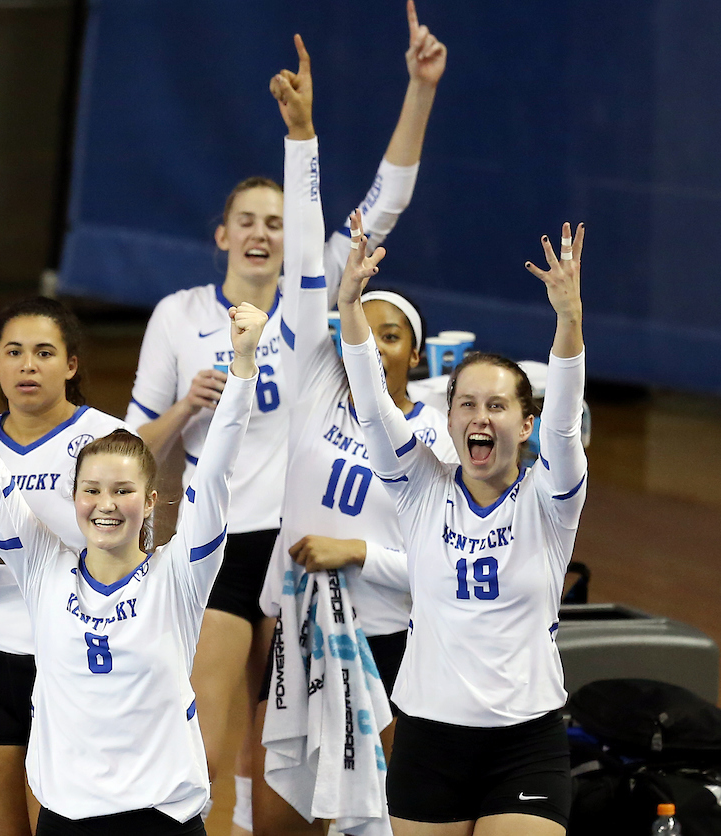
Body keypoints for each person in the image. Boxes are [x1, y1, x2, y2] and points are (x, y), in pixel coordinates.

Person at [123, 3, 446, 830]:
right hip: (224, 536)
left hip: (300, 537)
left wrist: (418, 89)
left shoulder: (320, 297)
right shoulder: (180, 313)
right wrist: (184, 413)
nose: (267, 233)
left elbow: (389, 197)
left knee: (287, 735)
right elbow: (133, 446)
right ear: (223, 233)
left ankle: (261, 815)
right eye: (251, 221)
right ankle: (205, 815)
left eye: (279, 220)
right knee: (206, 700)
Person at [0, 288, 263, 836]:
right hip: (67, 818)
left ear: (152, 500)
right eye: (91, 489)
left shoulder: (179, 576)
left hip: (162, 818)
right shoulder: (44, 568)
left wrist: (243, 365)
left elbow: (214, 473)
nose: (106, 504)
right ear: (74, 500)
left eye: (123, 489)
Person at [253, 27, 455, 833]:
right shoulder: (314, 379)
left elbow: (442, 569)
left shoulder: (438, 433)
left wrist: (359, 553)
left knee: (370, 823)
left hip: (385, 640)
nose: (368, 338)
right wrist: (301, 139)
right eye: (356, 323)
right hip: (296, 623)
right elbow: (309, 258)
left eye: (390, 331)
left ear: (414, 352)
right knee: (278, 816)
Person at [337, 217, 587, 835]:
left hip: (525, 740)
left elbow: (563, 424)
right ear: (447, 420)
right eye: (466, 404)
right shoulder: (422, 488)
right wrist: (348, 306)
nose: (481, 416)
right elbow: (371, 403)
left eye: (497, 405)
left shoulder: (550, 500)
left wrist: (569, 320)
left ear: (524, 425)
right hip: (429, 737)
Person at [0, 297, 130, 836]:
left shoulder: (112, 444)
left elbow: (135, 574)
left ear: (72, 365)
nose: (27, 366)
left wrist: (30, 540)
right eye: (13, 352)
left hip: (77, 668)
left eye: (43, 353)